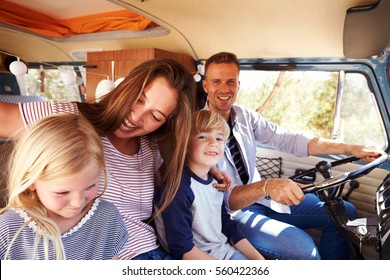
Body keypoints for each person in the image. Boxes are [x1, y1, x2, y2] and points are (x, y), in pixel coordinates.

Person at [0, 58, 229, 260]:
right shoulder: (68, 118)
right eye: (138, 99)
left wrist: (208, 170)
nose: (136, 117)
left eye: (155, 116)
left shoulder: (152, 148)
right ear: (126, 87)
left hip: (155, 251)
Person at [201, 51, 383, 260]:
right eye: (217, 82)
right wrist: (267, 186)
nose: (224, 89)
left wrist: (351, 148)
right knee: (307, 253)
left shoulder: (244, 116)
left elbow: (290, 139)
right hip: (236, 215)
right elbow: (227, 201)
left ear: (238, 85)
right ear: (206, 86)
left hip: (264, 200)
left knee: (345, 213)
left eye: (230, 82)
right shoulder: (196, 131)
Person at [0, 113, 128, 260]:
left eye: (90, 187)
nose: (77, 202)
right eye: (62, 192)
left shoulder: (107, 216)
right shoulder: (8, 229)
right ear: (31, 182)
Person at [154, 110, 264, 260]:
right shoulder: (178, 187)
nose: (213, 143)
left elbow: (227, 226)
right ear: (185, 143)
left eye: (219, 139)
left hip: (223, 251)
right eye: (203, 137)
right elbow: (181, 246)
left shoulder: (217, 182)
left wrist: (259, 259)